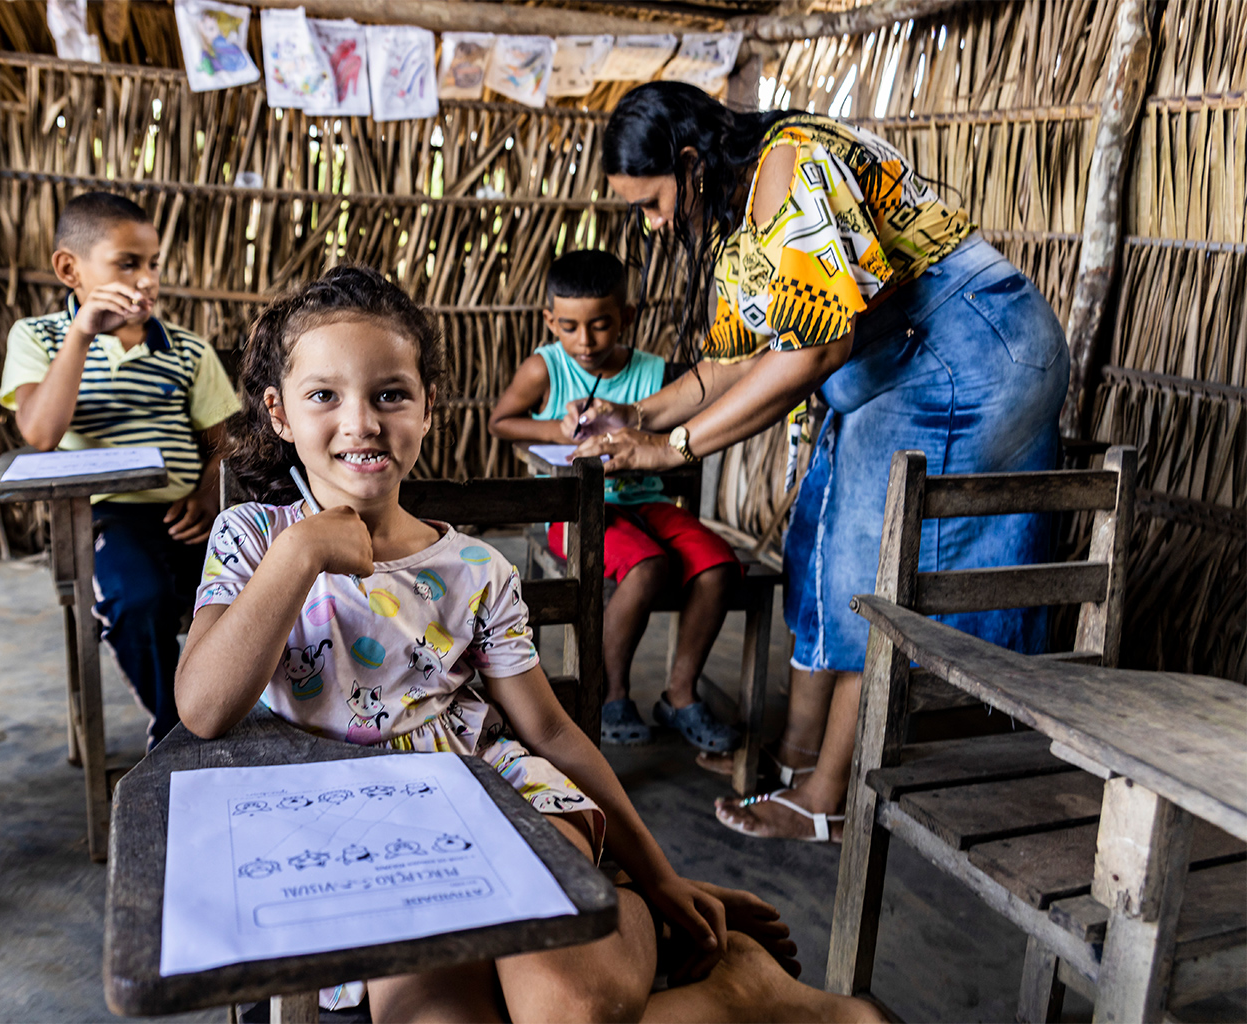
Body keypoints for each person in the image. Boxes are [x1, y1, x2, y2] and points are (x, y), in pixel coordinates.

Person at [173, 265, 882, 1023]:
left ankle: (636, 907)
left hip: (493, 795)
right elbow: (205, 709)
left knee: (574, 1011)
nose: (362, 423)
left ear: (429, 408)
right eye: (324, 396)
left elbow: (547, 730)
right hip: (357, 839)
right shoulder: (253, 540)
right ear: (279, 414)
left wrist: (661, 871)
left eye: (391, 394)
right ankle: (735, 992)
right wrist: (301, 552)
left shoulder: (475, 569)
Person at [571, 82, 1069, 842]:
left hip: (969, 354)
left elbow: (817, 349)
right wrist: (633, 415)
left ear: (693, 161)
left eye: (652, 202)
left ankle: (825, 796)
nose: (653, 224)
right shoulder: (743, 227)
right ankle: (801, 754)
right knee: (818, 544)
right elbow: (733, 365)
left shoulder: (788, 167)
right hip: (904, 362)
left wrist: (670, 447)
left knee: (872, 569)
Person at [0, 191, 241, 747]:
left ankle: (248, 713)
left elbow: (222, 444)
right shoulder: (40, 338)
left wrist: (209, 496)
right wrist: (82, 333)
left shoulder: (186, 351)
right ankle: (178, 730)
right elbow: (40, 434)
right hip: (104, 519)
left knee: (262, 590)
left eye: (153, 264)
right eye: (127, 264)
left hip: (193, 517)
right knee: (140, 600)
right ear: (70, 269)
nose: (147, 279)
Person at [488, 249, 740, 753]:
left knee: (718, 566)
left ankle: (680, 694)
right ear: (550, 321)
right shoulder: (546, 367)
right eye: (569, 326)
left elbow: (673, 435)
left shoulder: (655, 375)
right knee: (647, 566)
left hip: (648, 502)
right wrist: (555, 426)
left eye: (601, 325)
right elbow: (502, 420)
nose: (585, 341)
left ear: (626, 317)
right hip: (576, 514)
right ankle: (609, 693)